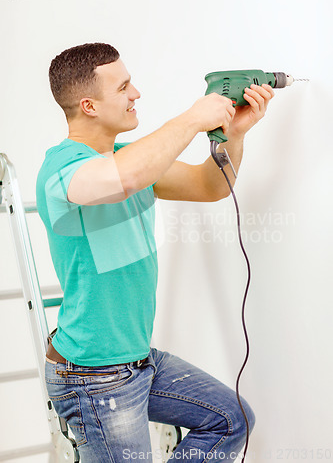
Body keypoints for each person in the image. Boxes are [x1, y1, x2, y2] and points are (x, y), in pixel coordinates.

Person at [36, 43, 274, 462]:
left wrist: (234, 134)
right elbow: (121, 179)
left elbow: (211, 185)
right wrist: (191, 119)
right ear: (89, 106)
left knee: (230, 420)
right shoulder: (62, 168)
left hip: (138, 361)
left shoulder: (131, 160)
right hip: (92, 375)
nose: (137, 94)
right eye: (124, 86)